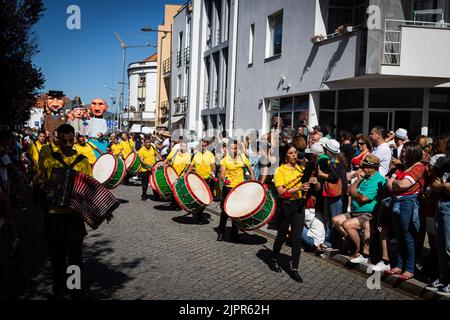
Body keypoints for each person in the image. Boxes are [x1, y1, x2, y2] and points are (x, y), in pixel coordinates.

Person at [40, 124, 92, 299]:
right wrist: (45, 188)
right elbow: (40, 181)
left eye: (71, 140)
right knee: (57, 257)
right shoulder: (49, 159)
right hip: (54, 215)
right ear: (58, 139)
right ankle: (59, 289)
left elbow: (89, 188)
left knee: (75, 257)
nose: (68, 144)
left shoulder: (83, 161)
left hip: (74, 216)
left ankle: (75, 289)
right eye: (64, 140)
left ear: (75, 137)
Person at [270, 144, 313, 283]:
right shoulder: (279, 171)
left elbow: (309, 186)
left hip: (299, 206)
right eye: (291, 153)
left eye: (295, 152)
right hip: (285, 206)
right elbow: (281, 192)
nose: (294, 155)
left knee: (296, 239)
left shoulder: (301, 169)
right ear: (285, 156)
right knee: (281, 236)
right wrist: (299, 187)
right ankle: (274, 258)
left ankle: (294, 269)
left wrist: (314, 182)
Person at [332, 154, 386, 263]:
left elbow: (363, 199)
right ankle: (356, 243)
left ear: (372, 168)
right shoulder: (364, 177)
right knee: (336, 220)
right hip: (355, 211)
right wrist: (357, 181)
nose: (362, 169)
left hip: (368, 214)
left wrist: (355, 194)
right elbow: (348, 191)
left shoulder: (378, 180)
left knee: (347, 224)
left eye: (365, 166)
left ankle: (357, 250)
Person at [384, 141, 426, 281]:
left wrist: (396, 184)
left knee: (409, 237)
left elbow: (403, 184)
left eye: (404, 151)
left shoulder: (418, 167)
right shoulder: (401, 167)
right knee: (399, 235)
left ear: (413, 152)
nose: (402, 153)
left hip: (408, 203)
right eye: (402, 151)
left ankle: (409, 268)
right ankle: (399, 265)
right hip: (396, 202)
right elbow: (389, 185)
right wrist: (396, 185)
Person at [217, 140, 255, 242]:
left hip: (239, 188)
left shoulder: (243, 158)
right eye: (232, 148)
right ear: (228, 149)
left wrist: (254, 182)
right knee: (225, 211)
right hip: (228, 188)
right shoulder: (224, 160)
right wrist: (225, 180)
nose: (234, 150)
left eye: (236, 148)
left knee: (236, 211)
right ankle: (221, 232)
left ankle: (234, 234)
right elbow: (222, 174)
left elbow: (250, 170)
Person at [428, 141, 450, 295]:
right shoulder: (446, 165)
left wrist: (440, 186)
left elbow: (446, 187)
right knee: (440, 245)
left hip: (448, 206)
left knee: (449, 246)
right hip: (440, 204)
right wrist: (441, 186)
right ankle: (443, 278)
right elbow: (436, 182)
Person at [317, 139, 346, 248]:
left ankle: (333, 243)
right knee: (329, 219)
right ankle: (330, 241)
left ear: (328, 151)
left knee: (335, 220)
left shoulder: (334, 163)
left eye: (325, 149)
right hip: (332, 194)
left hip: (336, 195)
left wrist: (321, 174)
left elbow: (335, 177)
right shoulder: (334, 161)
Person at [138, 136, 161, 201]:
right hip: (144, 170)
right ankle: (144, 195)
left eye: (149, 142)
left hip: (153, 169)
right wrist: (148, 165)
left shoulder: (152, 148)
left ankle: (156, 196)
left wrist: (161, 161)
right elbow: (141, 160)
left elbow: (158, 155)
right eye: (147, 142)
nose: (148, 144)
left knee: (154, 183)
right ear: (144, 142)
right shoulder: (141, 150)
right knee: (145, 184)